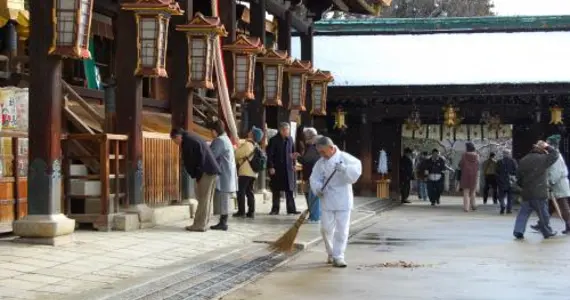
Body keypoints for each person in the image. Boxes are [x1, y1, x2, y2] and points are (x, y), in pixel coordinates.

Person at [310, 136, 362, 268]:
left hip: (343, 198)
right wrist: (317, 188)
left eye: (323, 152)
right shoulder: (320, 163)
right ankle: (331, 252)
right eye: (319, 152)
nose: (321, 155)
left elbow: (356, 171)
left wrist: (345, 169)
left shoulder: (344, 158)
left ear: (331, 148)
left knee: (342, 230)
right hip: (327, 197)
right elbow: (314, 178)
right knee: (326, 229)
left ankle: (339, 256)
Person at [170, 128, 220, 232]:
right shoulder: (191, 137)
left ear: (178, 137)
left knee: (203, 199)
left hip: (206, 171)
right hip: (210, 170)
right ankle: (203, 223)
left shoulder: (188, 142)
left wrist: (197, 175)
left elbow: (192, 162)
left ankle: (199, 225)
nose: (175, 143)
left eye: (174, 140)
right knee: (206, 199)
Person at [513, 140, 559, 240]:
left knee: (523, 214)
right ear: (542, 150)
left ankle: (518, 231)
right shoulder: (543, 159)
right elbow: (555, 155)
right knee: (543, 214)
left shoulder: (523, 160)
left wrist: (523, 186)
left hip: (526, 192)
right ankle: (547, 232)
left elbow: (519, 178)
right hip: (539, 192)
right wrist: (547, 147)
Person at [530, 134, 570, 234]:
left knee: (563, 205)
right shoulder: (551, 155)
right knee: (549, 206)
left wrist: (550, 182)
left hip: (559, 183)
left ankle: (569, 224)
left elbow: (556, 172)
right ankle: (542, 224)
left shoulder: (556, 155)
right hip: (556, 183)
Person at [208, 120, 237, 231]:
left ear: (215, 131)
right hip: (227, 172)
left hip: (224, 173)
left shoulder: (219, 140)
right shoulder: (226, 138)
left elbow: (212, 155)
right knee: (224, 198)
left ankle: (223, 222)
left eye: (212, 131)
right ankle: (223, 221)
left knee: (223, 198)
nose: (211, 134)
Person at [266, 122, 299, 215]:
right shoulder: (273, 140)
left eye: (288, 130)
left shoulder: (290, 139)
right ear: (281, 130)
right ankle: (275, 209)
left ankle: (291, 209)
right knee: (276, 190)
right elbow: (270, 155)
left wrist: (294, 164)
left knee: (289, 190)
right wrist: (271, 166)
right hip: (277, 168)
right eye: (286, 130)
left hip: (288, 169)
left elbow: (293, 153)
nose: (288, 132)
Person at [233, 126, 264, 218]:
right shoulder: (256, 146)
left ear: (252, 135)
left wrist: (236, 148)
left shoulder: (247, 145)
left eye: (251, 131)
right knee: (249, 191)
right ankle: (251, 211)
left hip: (245, 171)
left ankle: (241, 211)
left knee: (241, 191)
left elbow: (237, 155)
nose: (249, 131)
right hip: (253, 172)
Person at [298, 128, 321, 223]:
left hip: (313, 175)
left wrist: (298, 157)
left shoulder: (313, 146)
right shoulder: (316, 145)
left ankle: (314, 216)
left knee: (313, 195)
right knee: (311, 195)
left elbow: (307, 160)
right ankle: (314, 215)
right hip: (313, 174)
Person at [495, 149, 518, 214]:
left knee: (501, 196)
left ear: (503, 154)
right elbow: (516, 171)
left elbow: (496, 172)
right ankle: (509, 209)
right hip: (510, 181)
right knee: (510, 196)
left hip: (501, 181)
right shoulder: (513, 161)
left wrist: (498, 180)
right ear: (509, 154)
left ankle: (502, 205)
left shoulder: (499, 162)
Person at [459, 142, 479, 212]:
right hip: (474, 175)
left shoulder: (464, 155)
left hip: (465, 174)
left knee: (466, 192)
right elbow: (477, 165)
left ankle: (466, 208)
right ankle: (473, 205)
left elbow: (461, 164)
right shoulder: (476, 155)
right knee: (473, 191)